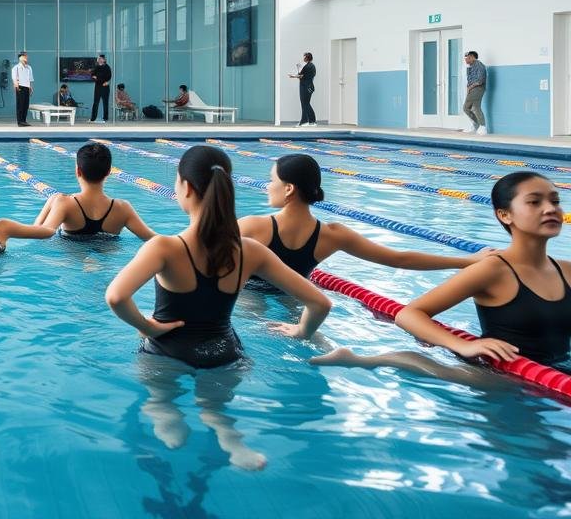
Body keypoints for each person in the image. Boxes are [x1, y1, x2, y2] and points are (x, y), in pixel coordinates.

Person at [104, 145, 331, 469]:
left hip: (166, 353)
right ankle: (230, 438)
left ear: (186, 188)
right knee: (216, 409)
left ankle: (167, 421)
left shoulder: (164, 247)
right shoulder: (250, 251)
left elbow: (115, 297)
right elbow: (320, 302)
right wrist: (301, 330)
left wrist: (147, 327)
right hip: (223, 355)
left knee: (160, 399)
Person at [313, 171, 571, 382]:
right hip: (500, 377)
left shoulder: (566, 269)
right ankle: (363, 360)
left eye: (555, 201)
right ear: (505, 215)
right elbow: (409, 314)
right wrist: (461, 345)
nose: (550, 209)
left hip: (553, 376)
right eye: (535, 202)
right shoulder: (493, 270)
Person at [238, 154, 482, 293]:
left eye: (271, 180)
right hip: (295, 301)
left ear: (289, 188)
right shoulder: (332, 235)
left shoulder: (252, 227)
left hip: (248, 302)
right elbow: (399, 259)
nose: (267, 186)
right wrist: (467, 261)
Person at [34, 143, 156, 240]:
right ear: (109, 172)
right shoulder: (122, 208)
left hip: (74, 260)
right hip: (107, 262)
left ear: (78, 171)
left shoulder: (64, 203)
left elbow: (41, 232)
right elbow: (152, 238)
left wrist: (51, 202)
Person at [463, 51, 488, 135]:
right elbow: (469, 80)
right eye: (465, 58)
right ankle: (475, 124)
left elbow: (480, 80)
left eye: (468, 58)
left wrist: (470, 87)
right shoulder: (470, 67)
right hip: (472, 89)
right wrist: (468, 88)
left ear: (473, 57)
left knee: (475, 107)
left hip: (478, 89)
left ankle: (483, 127)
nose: (466, 60)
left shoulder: (479, 66)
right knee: (466, 108)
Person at [289, 53, 316, 127]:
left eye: (304, 57)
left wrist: (293, 76)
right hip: (306, 86)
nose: (303, 59)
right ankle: (306, 121)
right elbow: (302, 75)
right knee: (305, 104)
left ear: (307, 58)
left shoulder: (309, 66)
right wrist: (298, 69)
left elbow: (301, 76)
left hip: (306, 87)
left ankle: (310, 121)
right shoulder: (309, 66)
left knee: (305, 103)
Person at [12, 53, 34, 127]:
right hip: (20, 86)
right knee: (20, 105)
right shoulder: (16, 67)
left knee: (26, 105)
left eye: (26, 56)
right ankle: (20, 121)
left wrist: (31, 87)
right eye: (24, 56)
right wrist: (16, 85)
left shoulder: (29, 67)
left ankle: (24, 120)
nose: (26, 58)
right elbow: (14, 78)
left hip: (27, 87)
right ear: (20, 58)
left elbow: (30, 79)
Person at [90, 54, 112, 122]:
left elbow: (108, 77)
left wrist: (98, 78)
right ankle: (93, 118)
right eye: (98, 58)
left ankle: (105, 118)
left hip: (105, 87)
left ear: (104, 60)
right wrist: (97, 78)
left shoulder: (107, 67)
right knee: (95, 103)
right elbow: (93, 75)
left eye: (101, 58)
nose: (99, 59)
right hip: (98, 87)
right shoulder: (96, 67)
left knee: (105, 103)